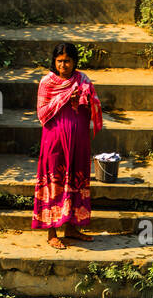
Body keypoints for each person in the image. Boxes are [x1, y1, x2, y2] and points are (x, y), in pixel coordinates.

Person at [33, 41, 103, 250]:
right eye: (60, 61)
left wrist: (85, 96)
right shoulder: (47, 83)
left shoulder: (82, 80)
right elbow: (42, 113)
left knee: (76, 180)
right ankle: (52, 232)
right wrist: (64, 97)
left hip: (79, 141)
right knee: (54, 182)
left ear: (74, 62)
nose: (64, 65)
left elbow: (94, 104)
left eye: (68, 61)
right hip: (54, 142)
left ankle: (72, 228)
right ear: (54, 62)